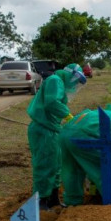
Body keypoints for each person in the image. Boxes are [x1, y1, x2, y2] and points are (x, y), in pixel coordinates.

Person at [27, 63, 87, 210]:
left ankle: (53, 199)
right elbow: (52, 102)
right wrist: (67, 116)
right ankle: (40, 202)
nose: (75, 86)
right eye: (75, 81)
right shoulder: (55, 81)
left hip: (52, 129)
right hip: (43, 129)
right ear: (71, 76)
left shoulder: (58, 82)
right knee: (45, 165)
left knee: (56, 165)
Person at [60, 105, 111, 206]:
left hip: (65, 133)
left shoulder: (96, 114)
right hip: (84, 135)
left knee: (72, 170)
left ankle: (72, 203)